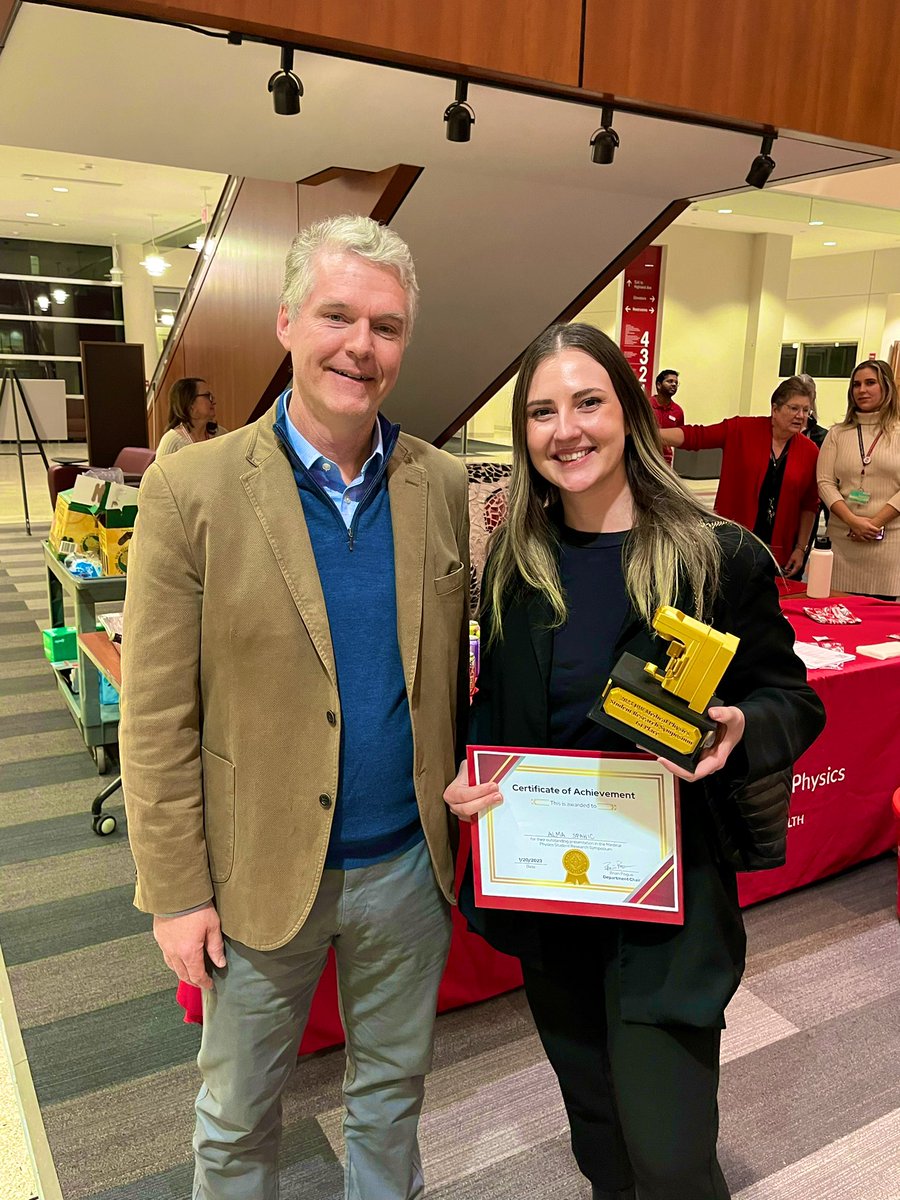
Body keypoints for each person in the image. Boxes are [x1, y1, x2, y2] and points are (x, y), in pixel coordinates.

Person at [119, 214, 470, 1199]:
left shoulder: (437, 483)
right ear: (285, 321)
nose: (361, 346)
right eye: (337, 316)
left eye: (387, 326)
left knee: (392, 1100)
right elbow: (154, 718)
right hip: (256, 877)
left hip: (407, 868)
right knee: (236, 1121)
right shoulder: (193, 489)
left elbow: (448, 679)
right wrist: (177, 890)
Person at [444, 323, 825, 1200]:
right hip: (552, 896)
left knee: (671, 1153)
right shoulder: (516, 565)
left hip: (666, 905)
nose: (565, 430)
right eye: (542, 411)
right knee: (600, 1137)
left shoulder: (714, 555)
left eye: (588, 402)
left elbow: (793, 700)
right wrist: (472, 771)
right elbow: (494, 711)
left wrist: (736, 727)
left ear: (630, 416)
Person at [660, 376, 819, 577]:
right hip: (735, 541)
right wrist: (651, 433)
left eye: (806, 410)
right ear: (775, 409)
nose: (801, 415)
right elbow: (696, 436)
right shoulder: (741, 430)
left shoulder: (810, 451)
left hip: (780, 550)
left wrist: (801, 547)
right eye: (794, 408)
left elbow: (809, 504)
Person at [816, 358, 900, 599]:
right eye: (856, 384)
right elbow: (825, 482)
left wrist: (873, 524)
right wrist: (853, 520)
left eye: (870, 383)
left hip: (887, 546)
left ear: (887, 388)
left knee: (877, 629)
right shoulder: (838, 434)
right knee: (833, 619)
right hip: (842, 544)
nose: (862, 390)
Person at [156, 377, 227, 455]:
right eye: (207, 396)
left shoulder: (220, 434)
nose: (214, 401)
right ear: (190, 403)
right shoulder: (172, 442)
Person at [649, 368, 684, 467]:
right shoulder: (646, 406)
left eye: (676, 383)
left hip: (665, 461)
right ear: (659, 385)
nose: (674, 384)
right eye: (670, 381)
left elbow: (679, 437)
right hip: (644, 457)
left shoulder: (678, 411)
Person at [798, 373, 828, 450]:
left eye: (805, 409)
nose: (799, 415)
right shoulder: (779, 434)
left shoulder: (823, 437)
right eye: (794, 408)